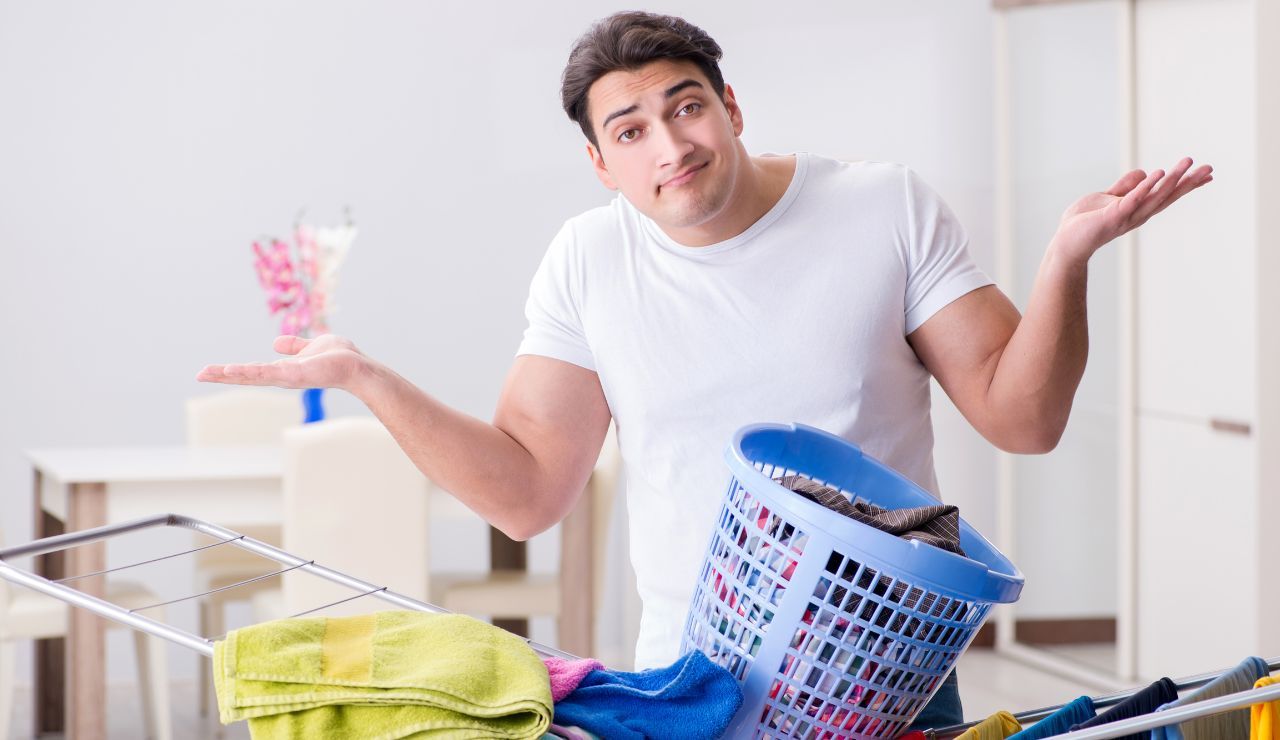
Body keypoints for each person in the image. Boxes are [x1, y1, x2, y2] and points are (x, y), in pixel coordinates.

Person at [198, 11, 1212, 731]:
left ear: (729, 105)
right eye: (629, 130)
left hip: (889, 663)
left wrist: (1062, 261)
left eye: (684, 107)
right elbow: (525, 492)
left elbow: (1020, 415)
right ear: (600, 163)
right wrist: (372, 379)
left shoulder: (882, 207)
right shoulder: (589, 261)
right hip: (693, 679)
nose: (669, 145)